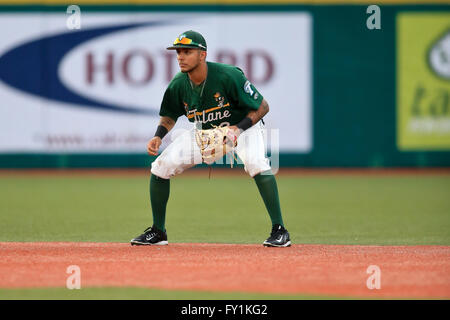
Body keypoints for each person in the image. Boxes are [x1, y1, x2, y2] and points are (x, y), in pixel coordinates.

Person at [130, 30, 290, 247]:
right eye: (178, 52)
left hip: (244, 128)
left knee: (256, 163)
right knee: (160, 166)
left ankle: (279, 230)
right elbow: (169, 115)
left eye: (187, 51)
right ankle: (158, 231)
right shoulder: (179, 84)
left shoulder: (227, 75)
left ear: (202, 54)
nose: (180, 57)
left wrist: (239, 129)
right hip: (207, 134)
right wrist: (158, 136)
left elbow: (263, 106)